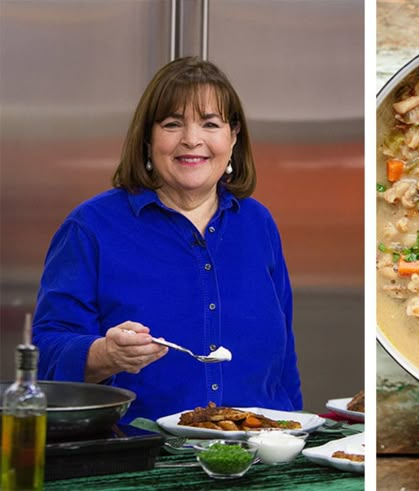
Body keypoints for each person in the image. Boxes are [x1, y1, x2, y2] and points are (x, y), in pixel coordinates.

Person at [32, 57, 302, 422]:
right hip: (136, 460)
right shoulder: (90, 227)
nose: (192, 140)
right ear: (147, 138)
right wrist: (103, 354)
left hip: (262, 458)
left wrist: (294, 433)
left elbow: (284, 360)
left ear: (233, 136)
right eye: (173, 124)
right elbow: (45, 353)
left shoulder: (259, 223)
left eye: (210, 123)